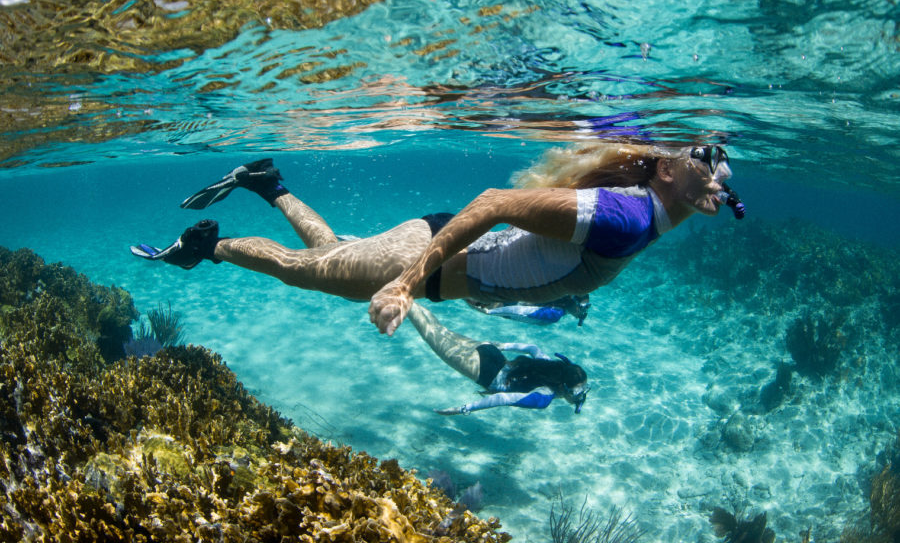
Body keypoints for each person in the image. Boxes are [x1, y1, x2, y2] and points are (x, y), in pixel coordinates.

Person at [131, 141, 744, 335]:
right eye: (707, 158)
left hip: (435, 253)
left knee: (331, 253)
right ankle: (204, 248)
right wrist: (403, 283)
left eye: (725, 168)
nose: (719, 172)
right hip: (424, 264)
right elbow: (494, 204)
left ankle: (268, 185)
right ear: (667, 169)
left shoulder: (643, 217)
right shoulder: (627, 217)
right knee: (302, 268)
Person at [405, 302, 589, 414]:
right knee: (431, 334)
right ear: (563, 387)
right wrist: (464, 409)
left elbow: (533, 348)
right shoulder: (544, 397)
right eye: (579, 392)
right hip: (483, 370)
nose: (581, 397)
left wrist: (503, 346)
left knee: (438, 330)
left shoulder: (550, 368)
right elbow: (502, 398)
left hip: (492, 353)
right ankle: (398, 297)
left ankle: (404, 294)